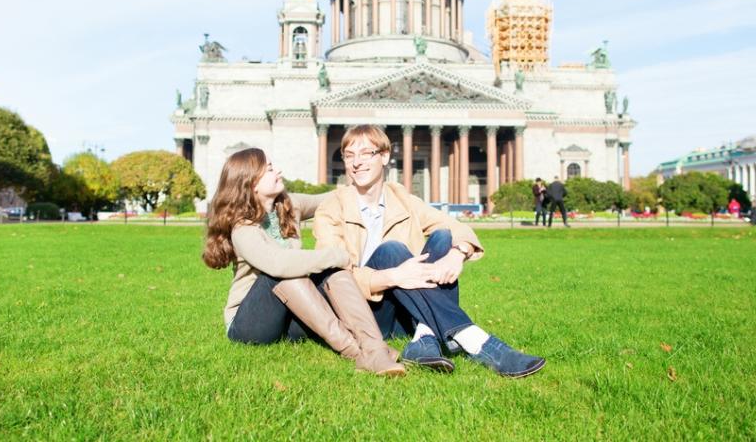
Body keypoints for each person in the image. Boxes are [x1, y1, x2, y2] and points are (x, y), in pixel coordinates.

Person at [313, 125, 545, 378]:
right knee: (391, 250)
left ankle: (425, 336)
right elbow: (333, 277)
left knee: (443, 236)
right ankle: (475, 340)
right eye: (349, 155)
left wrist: (458, 253)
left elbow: (457, 227)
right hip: (364, 317)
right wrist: (393, 276)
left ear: (385, 156)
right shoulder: (331, 208)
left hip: (403, 312)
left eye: (366, 153)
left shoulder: (401, 198)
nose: (356, 163)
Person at [202, 148, 404, 376]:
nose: (278, 171)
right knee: (287, 272)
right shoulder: (243, 229)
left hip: (289, 314)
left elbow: (330, 199)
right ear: (252, 183)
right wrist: (336, 255)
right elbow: (278, 264)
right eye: (270, 169)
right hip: (250, 324)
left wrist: (363, 180)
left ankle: (375, 348)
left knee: (334, 273)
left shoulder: (288, 205)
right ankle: (357, 353)